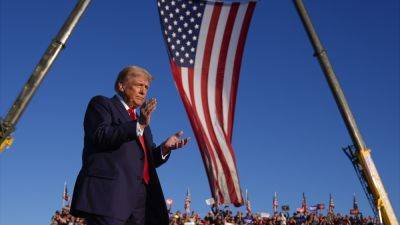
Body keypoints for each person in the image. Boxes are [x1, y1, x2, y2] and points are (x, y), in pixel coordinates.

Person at [70, 66, 190, 225]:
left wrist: (164, 148)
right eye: (139, 85)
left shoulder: (142, 123)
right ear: (121, 86)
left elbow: (145, 160)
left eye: (146, 87)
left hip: (139, 201)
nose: (143, 91)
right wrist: (139, 124)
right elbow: (101, 135)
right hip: (109, 196)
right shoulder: (102, 104)